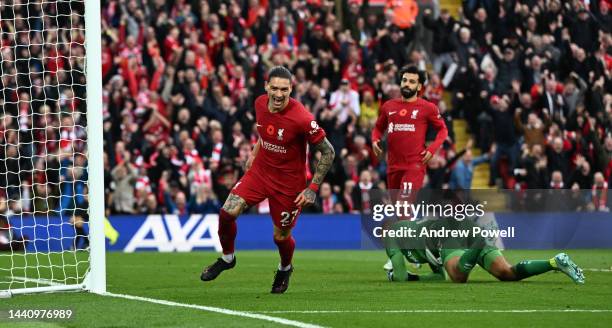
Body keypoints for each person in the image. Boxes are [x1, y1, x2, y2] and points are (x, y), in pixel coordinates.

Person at [200, 66, 335, 294]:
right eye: (274, 88)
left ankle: (285, 267)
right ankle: (228, 257)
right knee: (227, 212)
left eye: (284, 89)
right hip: (261, 172)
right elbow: (265, 134)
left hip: (288, 184)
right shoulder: (260, 103)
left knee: (280, 236)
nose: (279, 94)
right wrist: (253, 154)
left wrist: (312, 188)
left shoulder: (302, 118)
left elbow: (328, 151)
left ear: (291, 89)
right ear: (266, 87)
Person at [384, 218, 585, 284]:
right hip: (462, 227)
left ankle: (480, 240)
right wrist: (417, 278)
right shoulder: (410, 234)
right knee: (507, 273)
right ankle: (555, 262)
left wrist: (396, 276)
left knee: (458, 276)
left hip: (443, 232)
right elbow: (439, 276)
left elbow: (400, 276)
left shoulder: (391, 234)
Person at [372, 65, 448, 200]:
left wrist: (432, 149)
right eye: (404, 80)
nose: (407, 84)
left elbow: (443, 130)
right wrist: (375, 140)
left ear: (419, 87)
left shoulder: (428, 107)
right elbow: (378, 128)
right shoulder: (388, 106)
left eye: (412, 82)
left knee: (404, 204)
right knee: (399, 209)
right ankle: (417, 221)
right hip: (393, 165)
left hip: (414, 165)